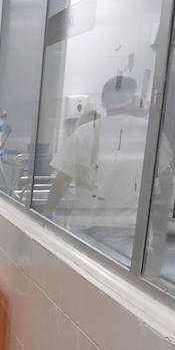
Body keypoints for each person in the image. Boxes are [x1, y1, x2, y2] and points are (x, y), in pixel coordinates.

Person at [44, 75, 151, 232]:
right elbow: (164, 177)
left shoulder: (84, 133)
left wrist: (47, 213)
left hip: (88, 225)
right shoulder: (148, 132)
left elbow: (62, 178)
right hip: (128, 228)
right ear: (133, 99)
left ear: (103, 100)